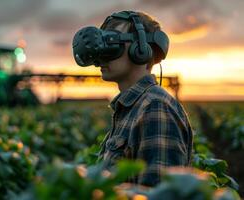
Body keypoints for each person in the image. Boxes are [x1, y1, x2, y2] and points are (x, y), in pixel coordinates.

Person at [72, 10, 193, 186]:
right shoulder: (132, 107)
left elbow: (157, 194)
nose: (101, 53)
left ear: (141, 49)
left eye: (111, 41)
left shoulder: (155, 108)